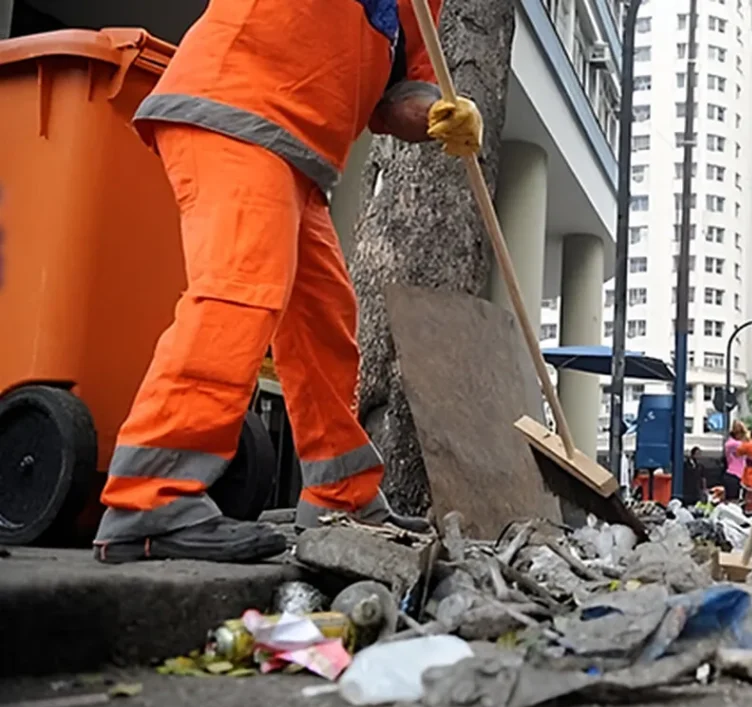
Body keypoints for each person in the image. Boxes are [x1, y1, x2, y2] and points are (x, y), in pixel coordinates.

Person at [91, 0, 484, 564]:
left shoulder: (422, 6)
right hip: (234, 103)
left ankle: (340, 495)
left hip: (297, 156)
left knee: (325, 323)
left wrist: (443, 113)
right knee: (239, 291)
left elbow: (396, 99)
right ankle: (150, 499)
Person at [722, 420, 748, 503]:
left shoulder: (731, 443)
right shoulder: (733, 444)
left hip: (738, 476)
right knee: (733, 501)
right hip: (734, 475)